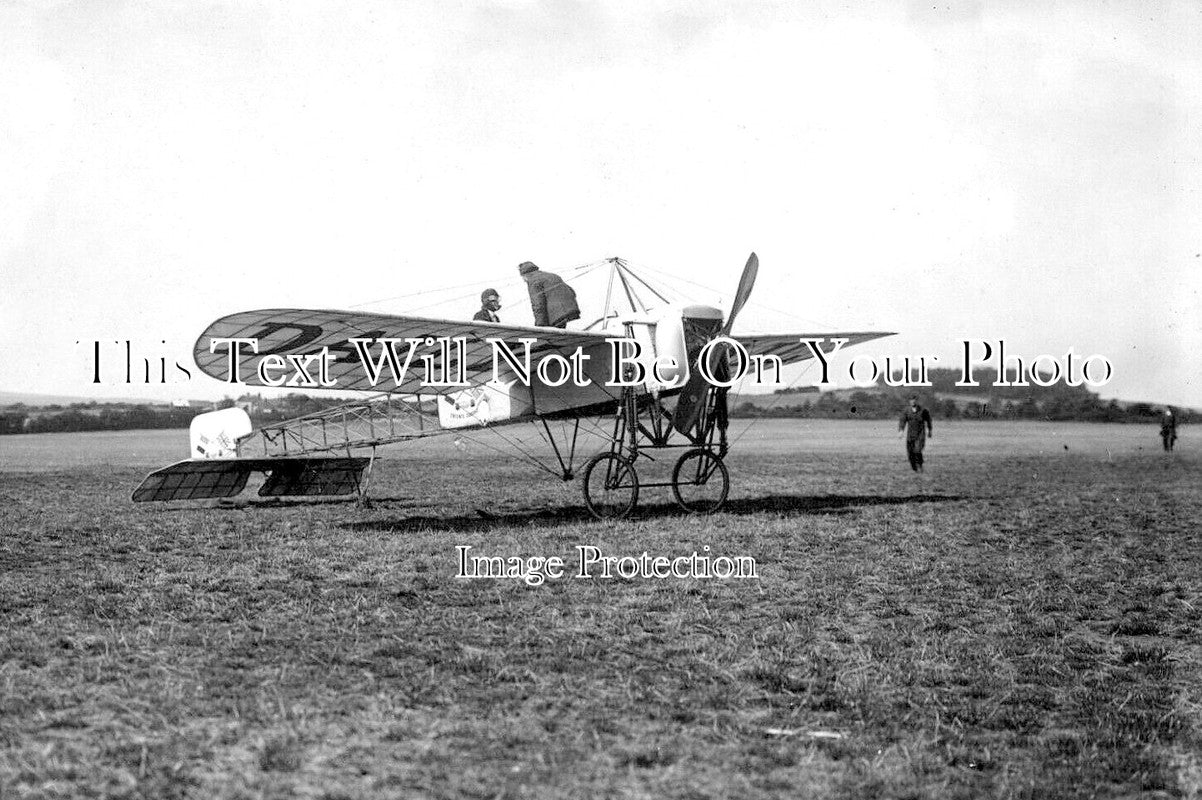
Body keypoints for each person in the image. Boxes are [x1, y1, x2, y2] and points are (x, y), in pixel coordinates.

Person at [518, 261, 580, 328]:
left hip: (556, 314)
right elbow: (572, 291)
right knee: (559, 328)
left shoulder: (533, 281)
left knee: (553, 330)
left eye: (522, 277)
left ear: (525, 275)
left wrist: (540, 326)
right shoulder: (553, 275)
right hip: (571, 309)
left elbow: (538, 304)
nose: (524, 280)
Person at [898, 395, 933, 472]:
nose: (913, 401)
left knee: (917, 450)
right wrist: (901, 431)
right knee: (910, 453)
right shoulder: (906, 411)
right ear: (909, 401)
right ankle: (914, 468)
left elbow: (928, 420)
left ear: (917, 401)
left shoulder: (923, 410)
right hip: (910, 435)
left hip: (920, 434)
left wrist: (929, 430)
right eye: (911, 400)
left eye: (914, 400)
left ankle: (920, 465)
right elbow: (902, 421)